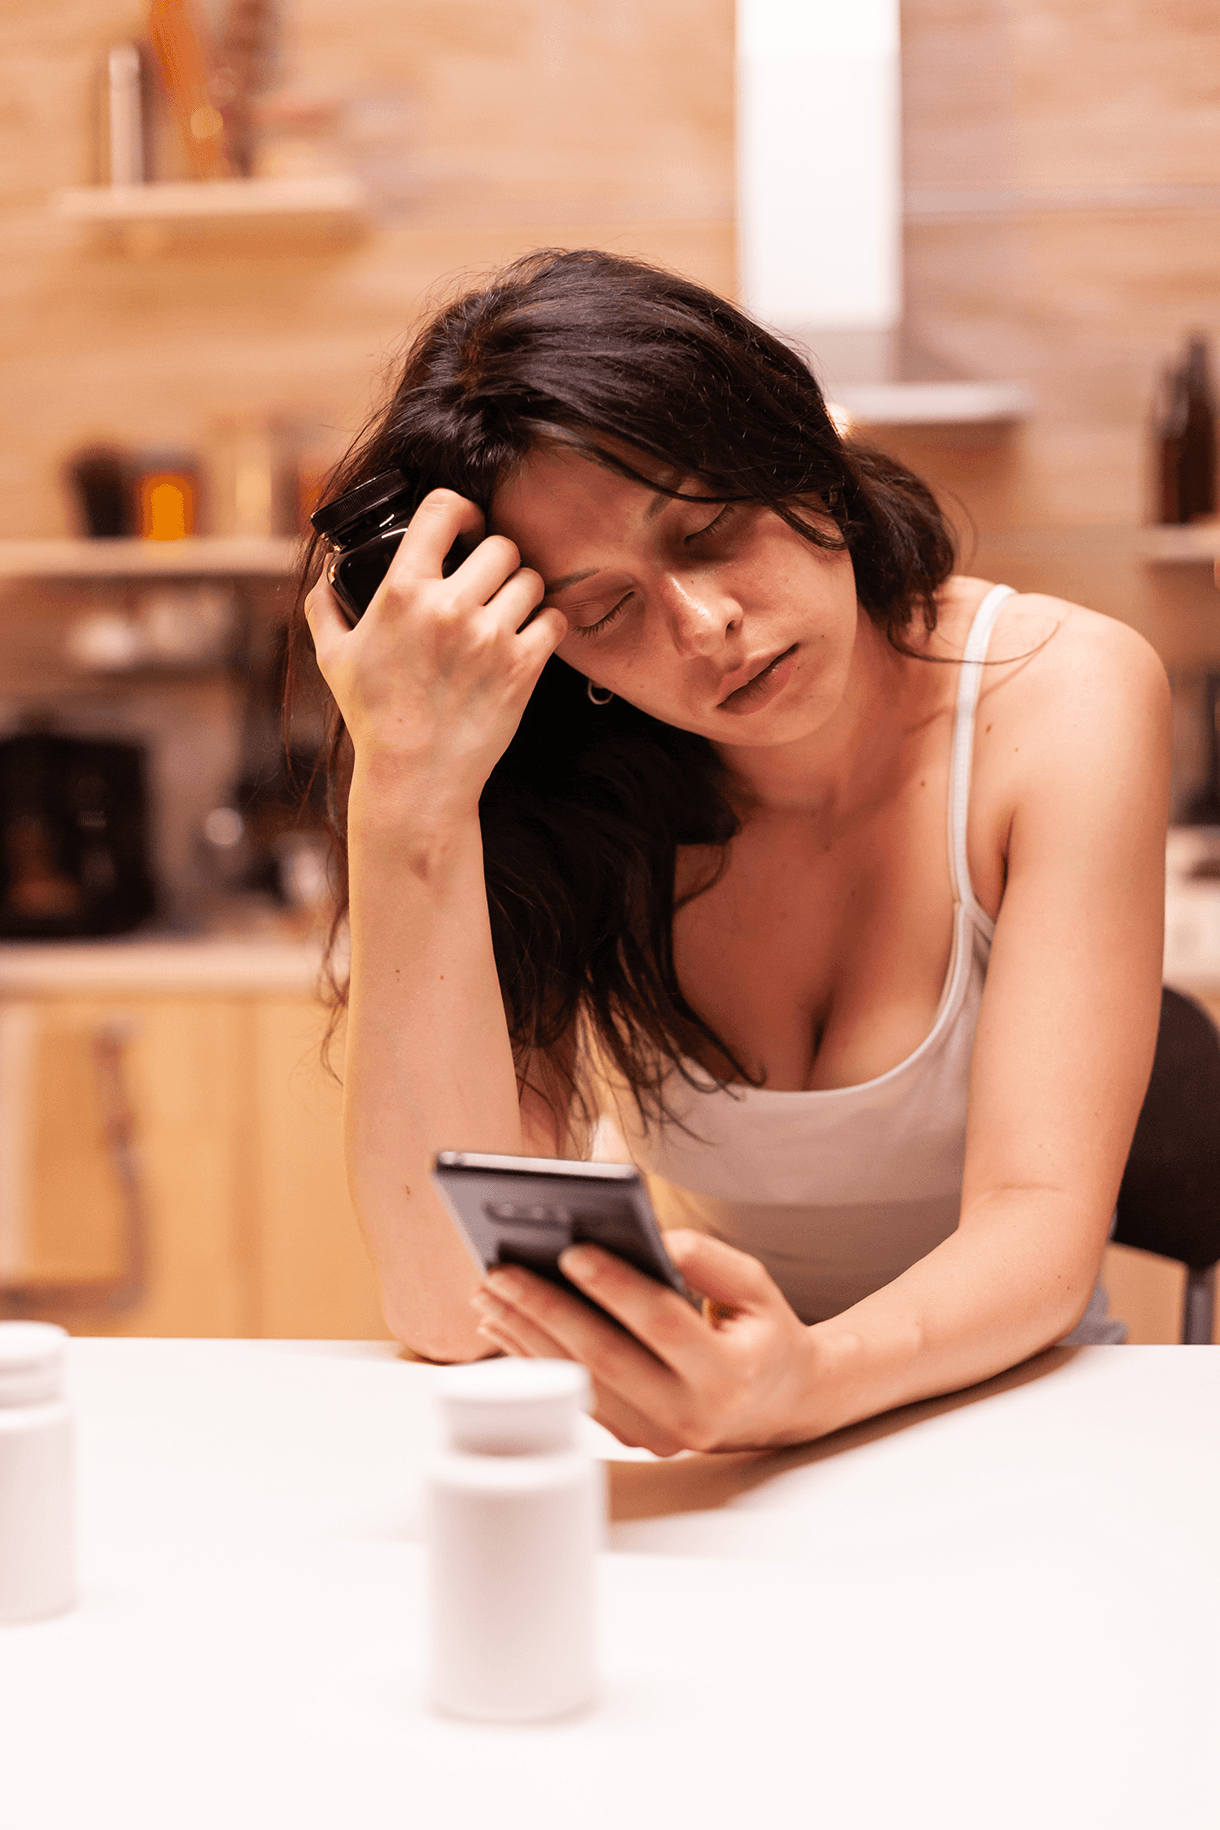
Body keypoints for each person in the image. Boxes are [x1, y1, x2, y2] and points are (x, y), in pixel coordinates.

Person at [302, 249, 1169, 1454]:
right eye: (601, 611)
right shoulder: (566, 795)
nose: (703, 627)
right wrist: (406, 790)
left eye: (708, 531)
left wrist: (797, 1383)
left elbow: (1037, 1219)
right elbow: (451, 1305)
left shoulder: (1063, 692)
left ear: (802, 453)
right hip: (725, 1433)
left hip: (1014, 1425)